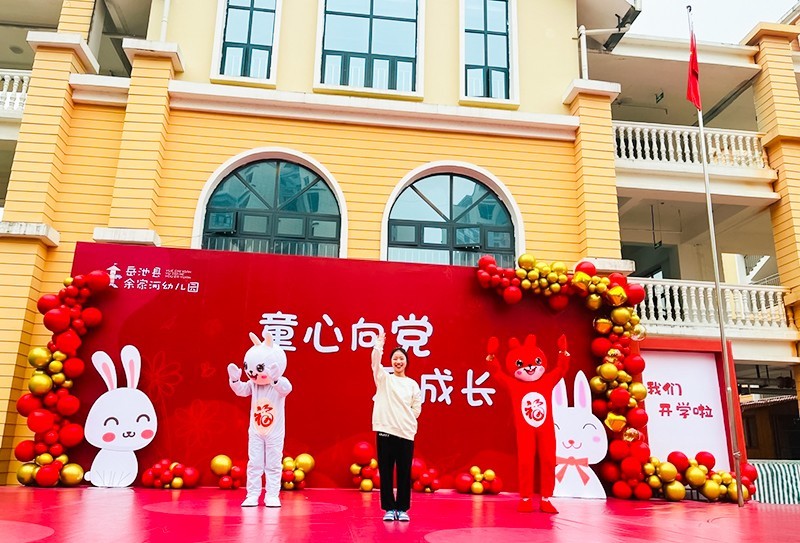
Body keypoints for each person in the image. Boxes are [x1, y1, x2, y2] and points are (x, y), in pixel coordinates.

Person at [371, 332, 422, 522]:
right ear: (391, 362)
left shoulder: (412, 384)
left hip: (406, 434)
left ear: (406, 362)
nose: (398, 361)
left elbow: (416, 409)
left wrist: (404, 419)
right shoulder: (384, 379)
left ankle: (402, 509)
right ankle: (389, 509)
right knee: (385, 472)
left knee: (403, 472)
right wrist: (379, 345)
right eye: (395, 359)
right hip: (385, 432)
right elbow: (375, 362)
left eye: (401, 359)